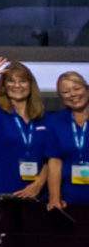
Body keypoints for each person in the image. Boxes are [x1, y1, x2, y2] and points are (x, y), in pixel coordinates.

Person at [0, 60, 51, 200]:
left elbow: (52, 157)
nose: (17, 85)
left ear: (30, 85)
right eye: (11, 81)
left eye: (22, 81)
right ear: (3, 86)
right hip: (1, 191)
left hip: (38, 193)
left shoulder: (44, 117)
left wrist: (38, 184)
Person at [51, 73, 89, 211]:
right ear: (61, 98)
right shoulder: (55, 121)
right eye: (65, 92)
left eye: (77, 88)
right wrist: (54, 197)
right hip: (69, 198)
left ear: (87, 89)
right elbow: (55, 162)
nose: (72, 94)